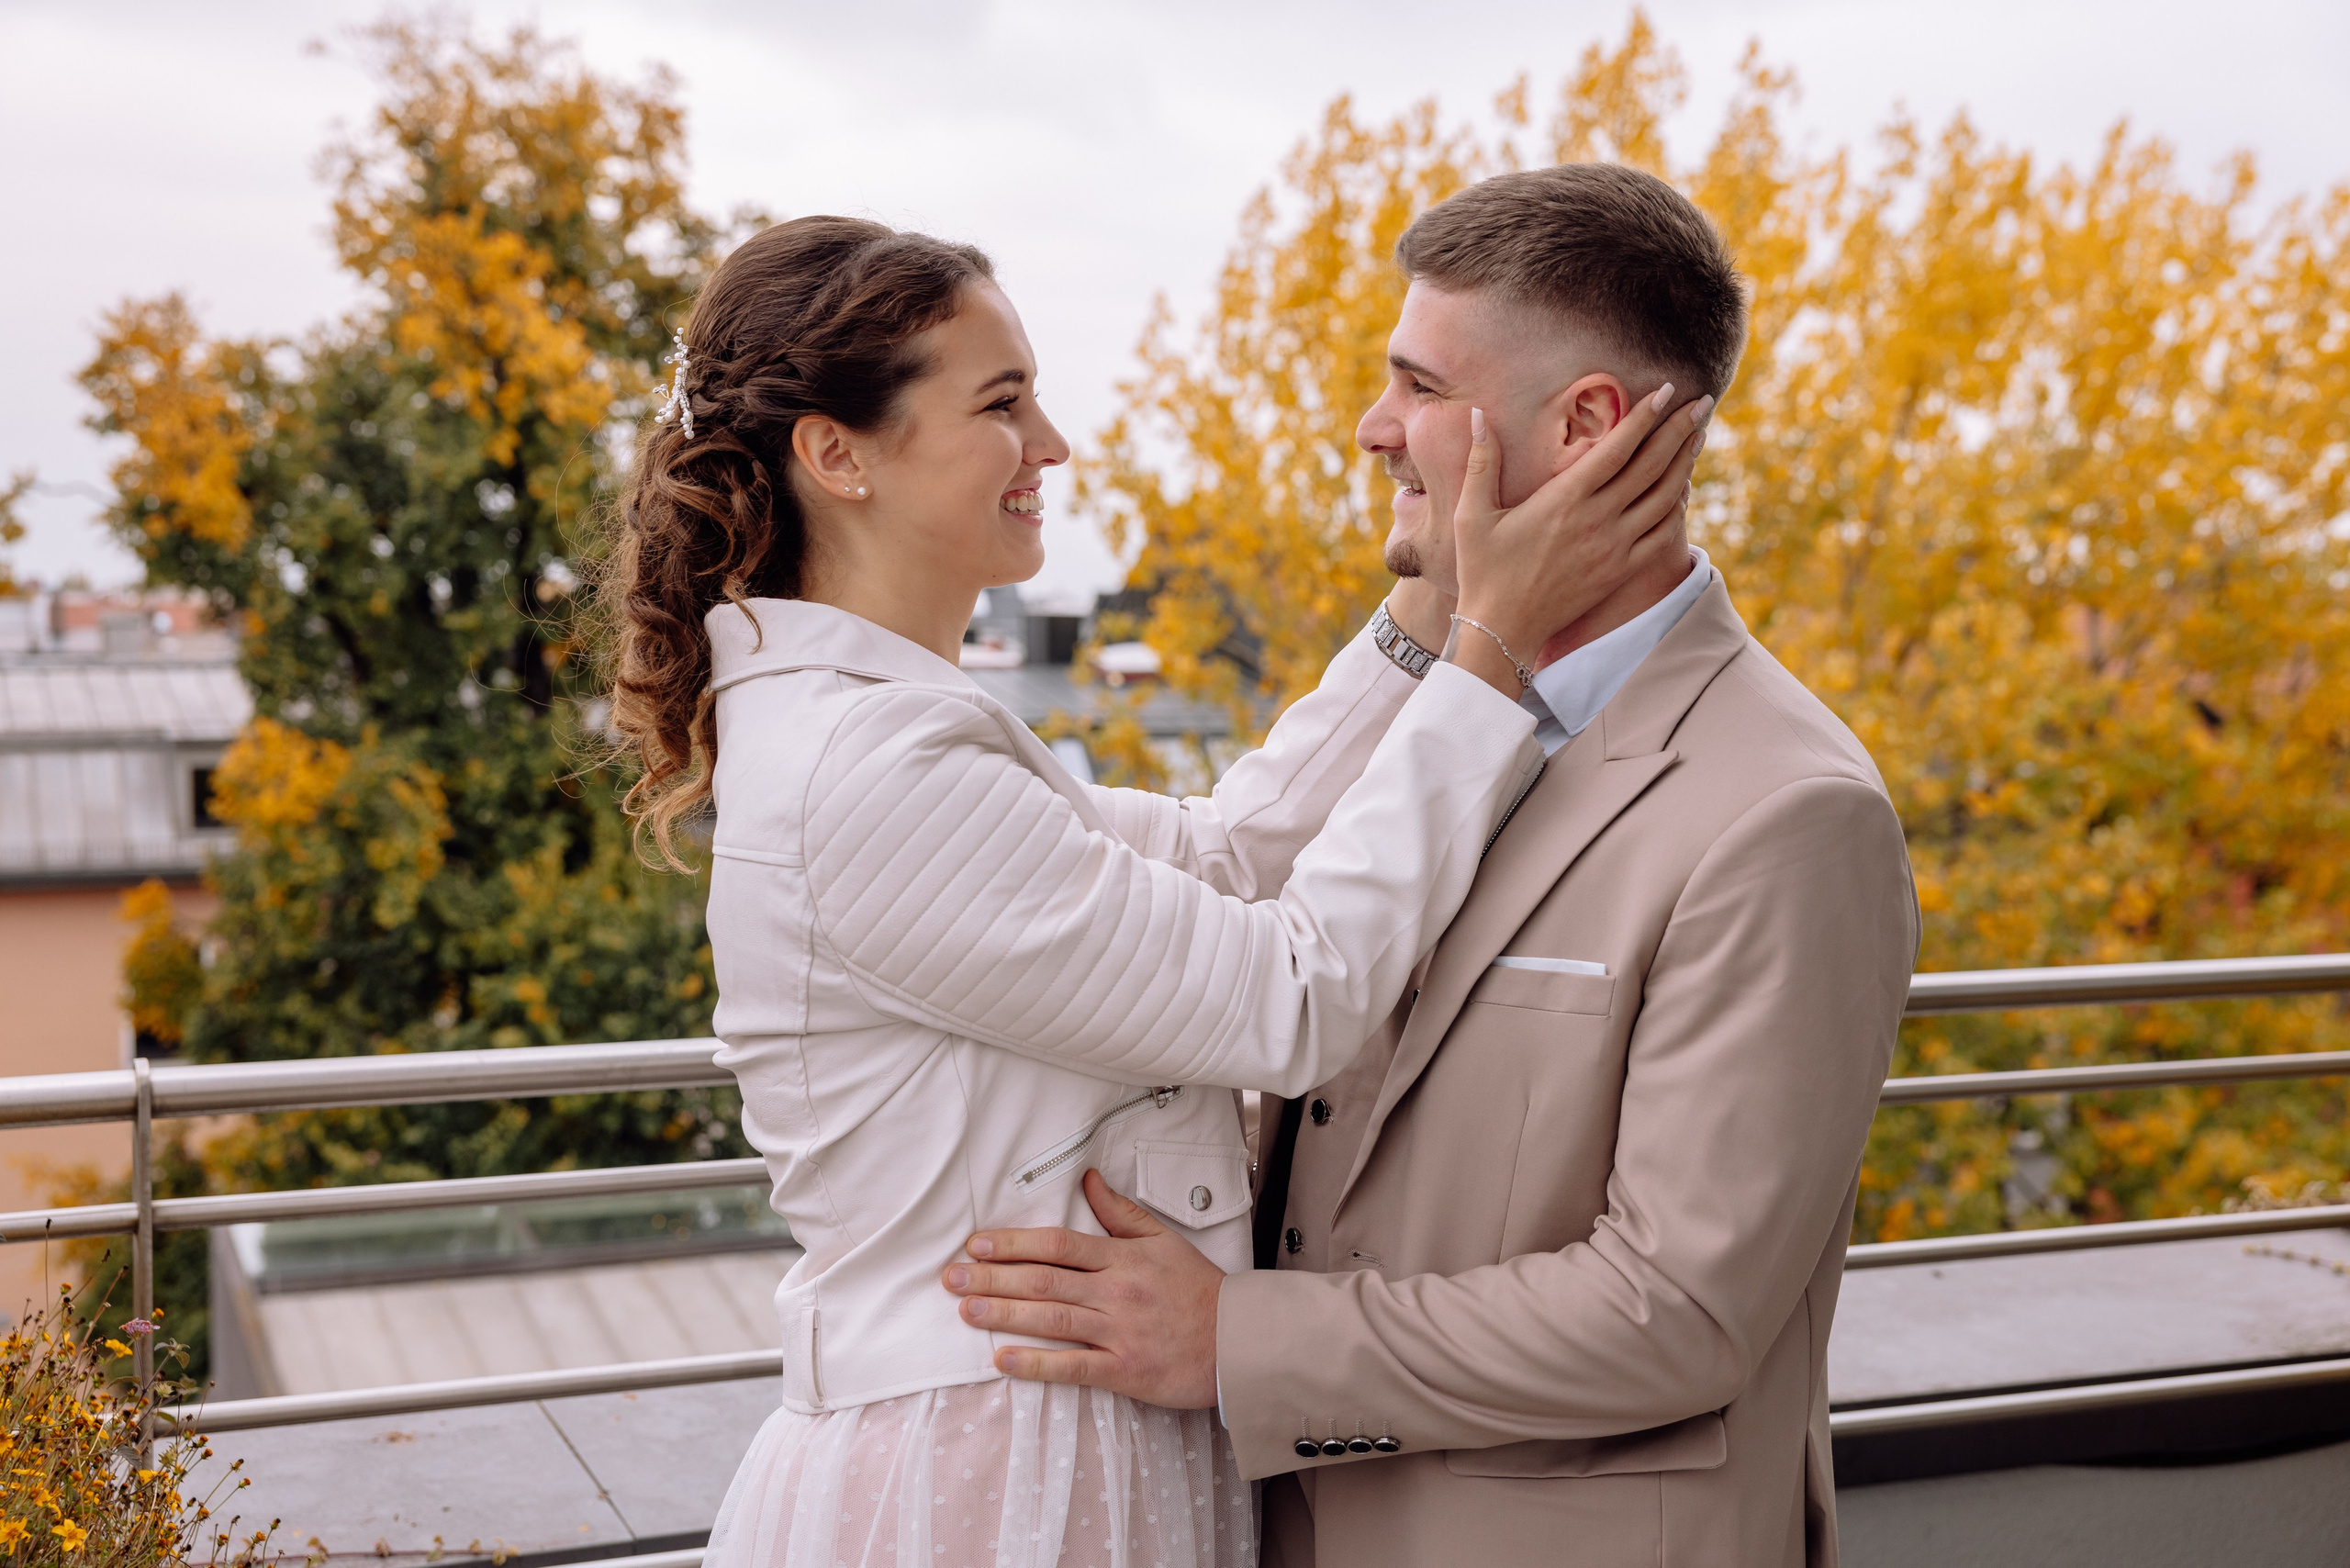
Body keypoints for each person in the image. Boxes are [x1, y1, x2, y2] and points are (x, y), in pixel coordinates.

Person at [597, 213, 1709, 1568]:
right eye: (1003, 404)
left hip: (1061, 1438)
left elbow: (1230, 856)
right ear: (837, 455)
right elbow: (1295, 997)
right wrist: (1494, 653)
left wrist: (1434, 616)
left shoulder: (896, 731)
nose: (1053, 446)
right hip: (1001, 1479)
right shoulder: (867, 769)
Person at [943, 164, 1922, 1566]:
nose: (1372, 428)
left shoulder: (1787, 814)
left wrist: (1240, 1343)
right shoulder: (1417, 726)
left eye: (1416, 386)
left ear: (1586, 426)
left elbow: (1680, 1312)